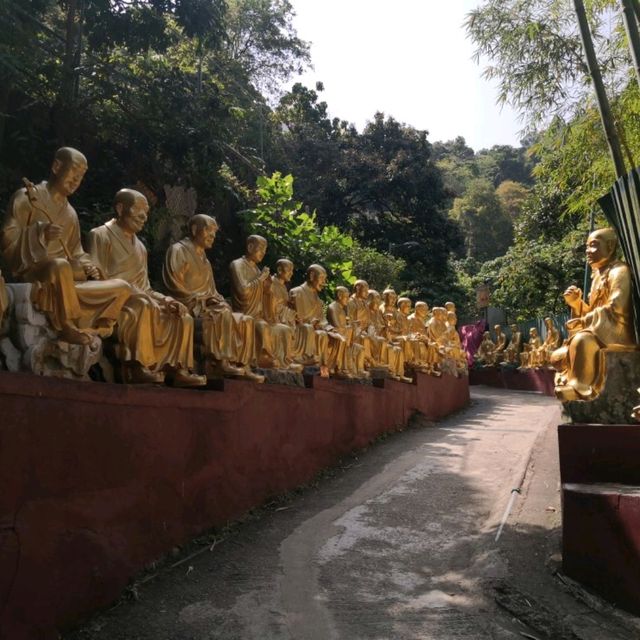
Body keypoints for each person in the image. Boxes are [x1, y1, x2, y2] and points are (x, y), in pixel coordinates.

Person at [1, 147, 132, 345]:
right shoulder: (28, 198)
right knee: (59, 265)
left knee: (122, 287)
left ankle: (95, 326)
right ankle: (67, 325)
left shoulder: (70, 214)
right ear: (56, 166)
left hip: (67, 283)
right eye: (73, 172)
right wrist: (39, 234)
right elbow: (7, 240)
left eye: (81, 176)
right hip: (37, 273)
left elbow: (77, 252)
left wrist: (90, 266)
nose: (76, 180)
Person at [87, 188, 206, 387]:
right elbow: (96, 279)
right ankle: (137, 367)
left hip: (142, 299)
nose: (144, 216)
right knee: (144, 305)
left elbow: (146, 288)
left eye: (147, 212)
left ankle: (177, 369)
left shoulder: (141, 248)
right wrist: (130, 293)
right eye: (139, 209)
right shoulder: (100, 235)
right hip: (116, 301)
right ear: (120, 208)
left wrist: (166, 299)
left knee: (181, 315)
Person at [163, 214, 263, 382]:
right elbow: (174, 286)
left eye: (214, 233)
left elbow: (212, 291)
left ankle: (244, 366)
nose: (213, 236)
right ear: (195, 230)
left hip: (208, 306)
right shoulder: (178, 250)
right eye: (209, 231)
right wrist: (203, 300)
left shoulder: (206, 261)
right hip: (189, 304)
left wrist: (218, 299)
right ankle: (220, 362)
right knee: (222, 313)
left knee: (244, 320)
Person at [551, 228, 636, 400]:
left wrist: (584, 321)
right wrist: (577, 304)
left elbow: (617, 307)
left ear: (610, 246)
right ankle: (572, 380)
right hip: (601, 328)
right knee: (557, 355)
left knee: (583, 340)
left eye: (594, 246)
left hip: (618, 331)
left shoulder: (619, 271)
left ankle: (580, 387)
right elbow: (593, 310)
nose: (588, 252)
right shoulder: (598, 275)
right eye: (587, 247)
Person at [229, 235, 295, 369]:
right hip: (245, 313)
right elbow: (243, 291)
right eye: (261, 249)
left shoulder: (257, 269)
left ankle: (285, 361)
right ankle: (264, 357)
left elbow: (266, 297)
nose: (263, 253)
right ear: (250, 247)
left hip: (261, 315)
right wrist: (260, 279)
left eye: (265, 250)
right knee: (262, 326)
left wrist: (267, 289)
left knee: (285, 330)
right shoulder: (237, 265)